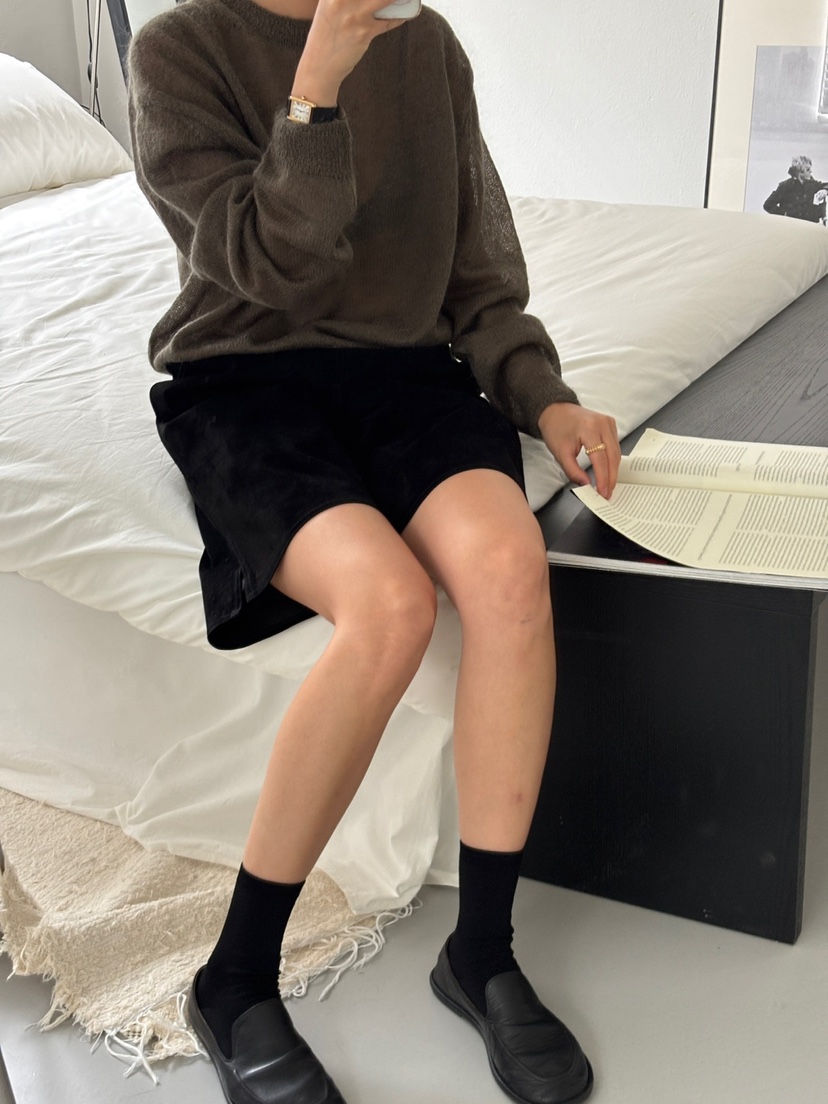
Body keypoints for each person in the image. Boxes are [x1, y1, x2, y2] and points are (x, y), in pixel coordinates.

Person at [127, 1, 620, 1101]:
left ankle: (480, 952)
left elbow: (477, 272)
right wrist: (316, 88)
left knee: (508, 573)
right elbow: (269, 266)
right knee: (389, 607)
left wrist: (543, 397)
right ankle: (234, 980)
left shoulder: (427, 44)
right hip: (244, 382)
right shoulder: (177, 51)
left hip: (406, 375)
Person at [763, 155, 828, 223]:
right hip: (791, 226)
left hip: (809, 226)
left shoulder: (813, 184)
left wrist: (825, 190)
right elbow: (768, 205)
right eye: (808, 169)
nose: (811, 171)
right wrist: (785, 214)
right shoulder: (785, 186)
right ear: (800, 172)